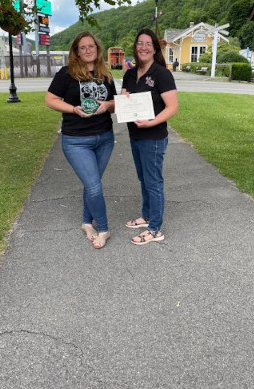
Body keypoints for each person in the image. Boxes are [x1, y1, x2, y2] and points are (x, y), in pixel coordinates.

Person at [45, 31, 116, 249]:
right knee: (94, 187)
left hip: (104, 137)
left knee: (91, 183)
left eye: (91, 46)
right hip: (76, 140)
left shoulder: (105, 74)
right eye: (82, 47)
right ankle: (103, 228)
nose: (88, 50)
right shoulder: (66, 74)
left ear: (97, 49)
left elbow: (115, 102)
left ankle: (87, 223)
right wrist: (73, 109)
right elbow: (50, 100)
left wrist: (108, 105)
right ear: (76, 51)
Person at [122, 28, 178, 245]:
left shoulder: (162, 74)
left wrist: (152, 122)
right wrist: (123, 98)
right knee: (143, 178)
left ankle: (155, 229)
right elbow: (126, 102)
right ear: (135, 47)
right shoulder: (129, 73)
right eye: (140, 43)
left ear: (154, 48)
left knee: (153, 181)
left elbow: (172, 107)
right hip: (135, 135)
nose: (143, 47)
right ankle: (146, 217)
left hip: (153, 136)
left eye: (148, 43)